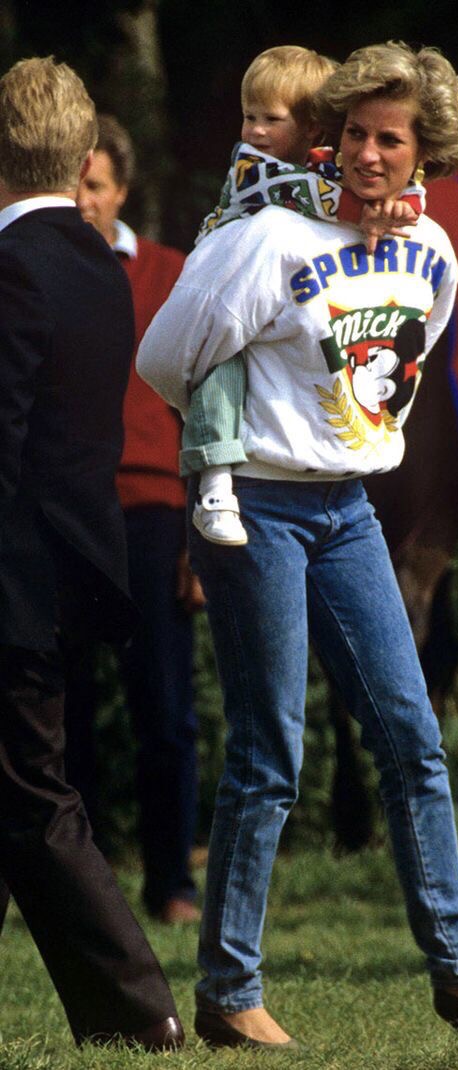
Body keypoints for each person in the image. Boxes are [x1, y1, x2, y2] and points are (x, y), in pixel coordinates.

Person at [138, 40, 458, 1049]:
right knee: (269, 749)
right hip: (262, 511)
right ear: (334, 139)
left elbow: (395, 377)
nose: (371, 154)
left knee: (413, 738)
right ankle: (229, 988)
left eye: (392, 139)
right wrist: (232, 455)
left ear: (425, 154)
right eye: (357, 135)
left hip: (351, 513)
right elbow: (163, 360)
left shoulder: (434, 254)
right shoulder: (267, 237)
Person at [0, 56, 183, 1049]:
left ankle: (138, 1001)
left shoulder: (13, 266)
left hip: (15, 576)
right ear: (80, 159)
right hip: (73, 565)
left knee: (35, 791)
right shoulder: (98, 266)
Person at [184, 44, 422, 547]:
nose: (254, 131)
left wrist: (396, 207)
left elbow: (407, 193)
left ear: (313, 128)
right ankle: (214, 482)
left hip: (270, 308)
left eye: (271, 119)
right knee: (221, 374)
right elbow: (304, 196)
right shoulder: (252, 169)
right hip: (223, 287)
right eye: (249, 116)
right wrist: (368, 211)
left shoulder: (326, 167)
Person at [67, 113, 202, 925]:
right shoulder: (30, 273)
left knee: (164, 708)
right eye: (72, 183)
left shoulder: (172, 275)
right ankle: (80, 893)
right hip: (67, 517)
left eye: (96, 185)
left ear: (120, 191)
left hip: (154, 510)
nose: (83, 200)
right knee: (65, 712)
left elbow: (205, 409)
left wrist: (198, 538)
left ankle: (172, 885)